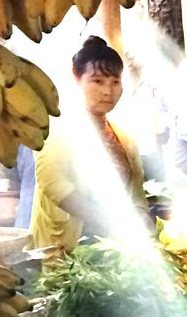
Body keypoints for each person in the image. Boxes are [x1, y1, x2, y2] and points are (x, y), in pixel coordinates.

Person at [31, 36, 145, 255]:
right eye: (98, 81)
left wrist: (142, 220)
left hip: (116, 254)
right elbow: (53, 184)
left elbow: (137, 192)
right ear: (77, 78)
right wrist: (111, 222)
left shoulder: (124, 138)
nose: (107, 91)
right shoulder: (56, 128)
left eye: (115, 82)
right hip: (63, 254)